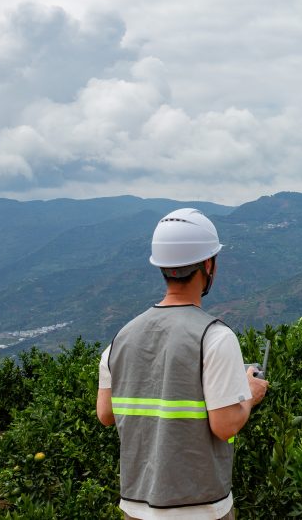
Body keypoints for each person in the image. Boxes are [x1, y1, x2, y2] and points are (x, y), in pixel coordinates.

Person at [97, 208, 268, 520]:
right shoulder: (215, 337)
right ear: (208, 264)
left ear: (162, 265)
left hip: (135, 506)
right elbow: (225, 425)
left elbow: (106, 414)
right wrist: (249, 393)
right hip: (199, 507)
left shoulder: (119, 339)